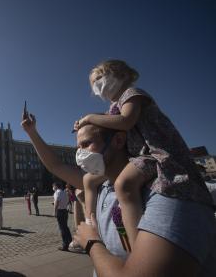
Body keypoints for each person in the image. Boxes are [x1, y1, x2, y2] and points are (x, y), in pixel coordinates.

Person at [21, 112, 216, 276]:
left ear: (119, 140)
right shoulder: (103, 184)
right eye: (78, 147)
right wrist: (32, 132)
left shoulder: (167, 191)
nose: (80, 154)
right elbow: (56, 165)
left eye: (86, 144)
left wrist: (91, 243)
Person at [74, 59, 213, 246]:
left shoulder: (132, 94)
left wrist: (90, 117)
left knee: (124, 184)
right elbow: (105, 126)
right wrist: (85, 123)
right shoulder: (112, 108)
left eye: (99, 78)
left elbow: (125, 121)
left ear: (122, 75)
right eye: (93, 84)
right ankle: (92, 223)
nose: (96, 86)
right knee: (89, 179)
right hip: (137, 156)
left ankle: (135, 244)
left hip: (158, 154)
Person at [53, 182, 72, 251]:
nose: (53, 188)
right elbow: (67, 201)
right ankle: (70, 241)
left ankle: (65, 245)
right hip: (65, 210)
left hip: (60, 211)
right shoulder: (64, 192)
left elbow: (57, 203)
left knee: (62, 228)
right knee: (66, 227)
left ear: (56, 186)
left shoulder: (57, 192)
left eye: (53, 186)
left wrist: (55, 212)